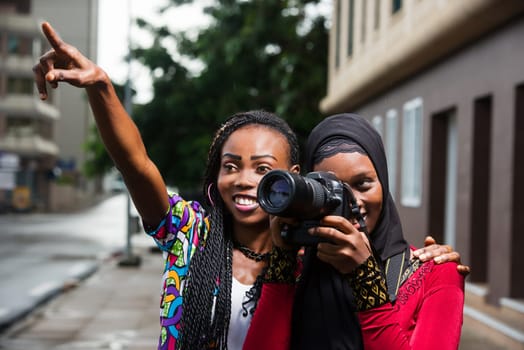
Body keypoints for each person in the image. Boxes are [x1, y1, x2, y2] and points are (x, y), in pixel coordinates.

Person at [33, 22, 466, 350]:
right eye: (231, 166)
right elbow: (136, 166)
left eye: (263, 169)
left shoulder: (310, 259)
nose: (245, 180)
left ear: (294, 178)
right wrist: (103, 89)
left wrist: (414, 268)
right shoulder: (195, 234)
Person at [284, 113, 465, 349]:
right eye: (333, 188)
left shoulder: (436, 274)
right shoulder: (294, 270)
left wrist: (366, 279)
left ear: (384, 183)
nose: (351, 201)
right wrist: (280, 260)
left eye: (363, 184)